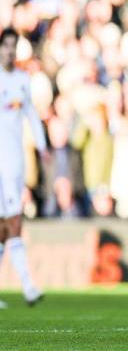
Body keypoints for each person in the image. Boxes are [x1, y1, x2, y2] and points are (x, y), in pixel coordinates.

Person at [0, 28, 48, 305]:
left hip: (14, 161)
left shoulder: (22, 80)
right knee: (9, 221)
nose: (8, 51)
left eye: (12, 46)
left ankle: (28, 286)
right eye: (5, 46)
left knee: (9, 222)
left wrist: (42, 146)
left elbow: (31, 113)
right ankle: (28, 285)